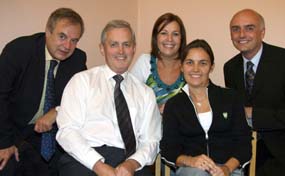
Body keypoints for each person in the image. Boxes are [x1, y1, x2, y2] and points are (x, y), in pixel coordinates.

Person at [56, 19, 161, 176]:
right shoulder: (82, 81)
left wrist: (131, 164)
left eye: (126, 45)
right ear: (102, 49)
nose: (121, 51)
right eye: (113, 44)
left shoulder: (145, 93)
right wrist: (98, 165)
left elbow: (151, 140)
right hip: (85, 160)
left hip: (130, 162)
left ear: (133, 49)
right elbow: (67, 131)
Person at [0, 7, 87, 176]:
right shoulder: (19, 50)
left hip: (49, 134)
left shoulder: (77, 59)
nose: (67, 46)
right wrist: (4, 142)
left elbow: (85, 98)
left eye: (74, 40)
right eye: (62, 36)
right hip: (11, 129)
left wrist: (57, 111)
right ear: (48, 31)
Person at [224, 9, 285, 176]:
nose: (241, 34)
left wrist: (254, 115)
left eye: (249, 28)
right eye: (235, 29)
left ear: (262, 32)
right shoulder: (230, 68)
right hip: (246, 154)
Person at [160, 39, 251, 176]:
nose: (196, 69)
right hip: (191, 170)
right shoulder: (174, 105)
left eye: (203, 63)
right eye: (190, 62)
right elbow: (168, 149)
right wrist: (191, 161)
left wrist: (226, 169)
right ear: (182, 66)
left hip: (229, 169)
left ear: (211, 67)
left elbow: (244, 144)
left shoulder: (231, 98)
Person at [130, 12, 186, 114]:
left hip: (183, 129)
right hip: (149, 128)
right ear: (156, 37)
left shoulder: (189, 65)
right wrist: (155, 109)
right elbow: (129, 99)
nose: (169, 39)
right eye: (164, 33)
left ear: (181, 39)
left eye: (175, 34)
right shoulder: (145, 62)